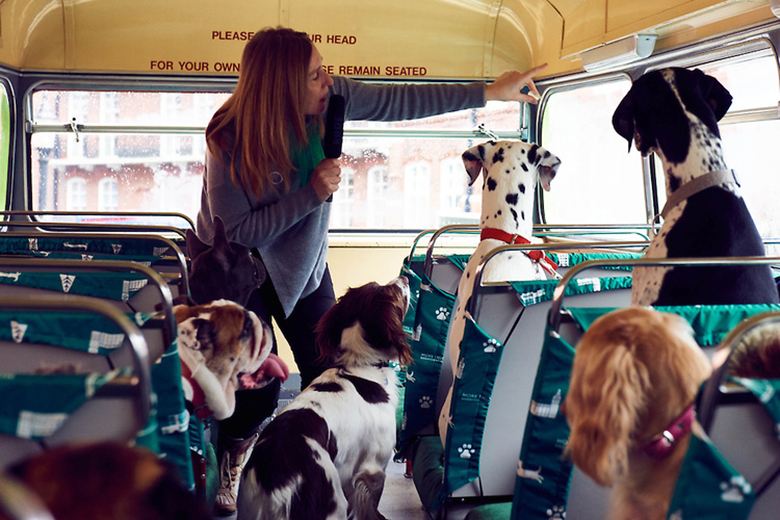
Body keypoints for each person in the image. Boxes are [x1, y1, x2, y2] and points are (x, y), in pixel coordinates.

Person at [195, 25, 546, 515]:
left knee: (331, 371)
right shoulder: (226, 137)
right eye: (317, 75)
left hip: (303, 263)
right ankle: (236, 451)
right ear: (282, 87)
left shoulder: (331, 102)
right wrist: (310, 194)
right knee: (258, 385)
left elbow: (396, 99)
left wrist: (490, 91)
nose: (329, 79)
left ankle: (329, 481)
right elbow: (238, 230)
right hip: (239, 268)